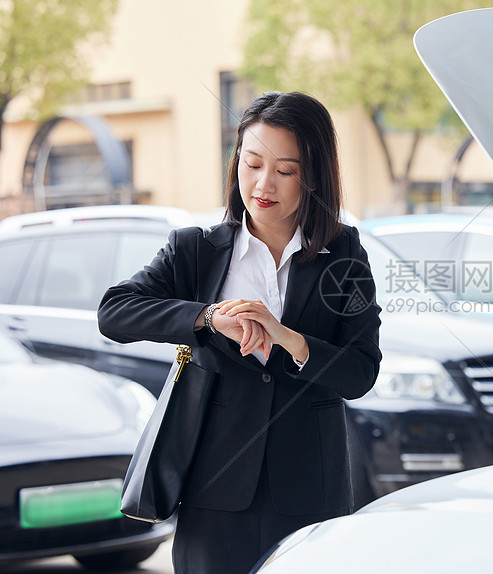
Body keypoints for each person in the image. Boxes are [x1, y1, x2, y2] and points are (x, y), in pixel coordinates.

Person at [98, 91, 382, 574]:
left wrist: (287, 339)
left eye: (285, 171)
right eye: (251, 164)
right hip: (214, 493)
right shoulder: (196, 251)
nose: (263, 184)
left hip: (309, 492)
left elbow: (360, 372)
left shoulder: (345, 253)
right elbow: (115, 312)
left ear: (313, 176)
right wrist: (207, 318)